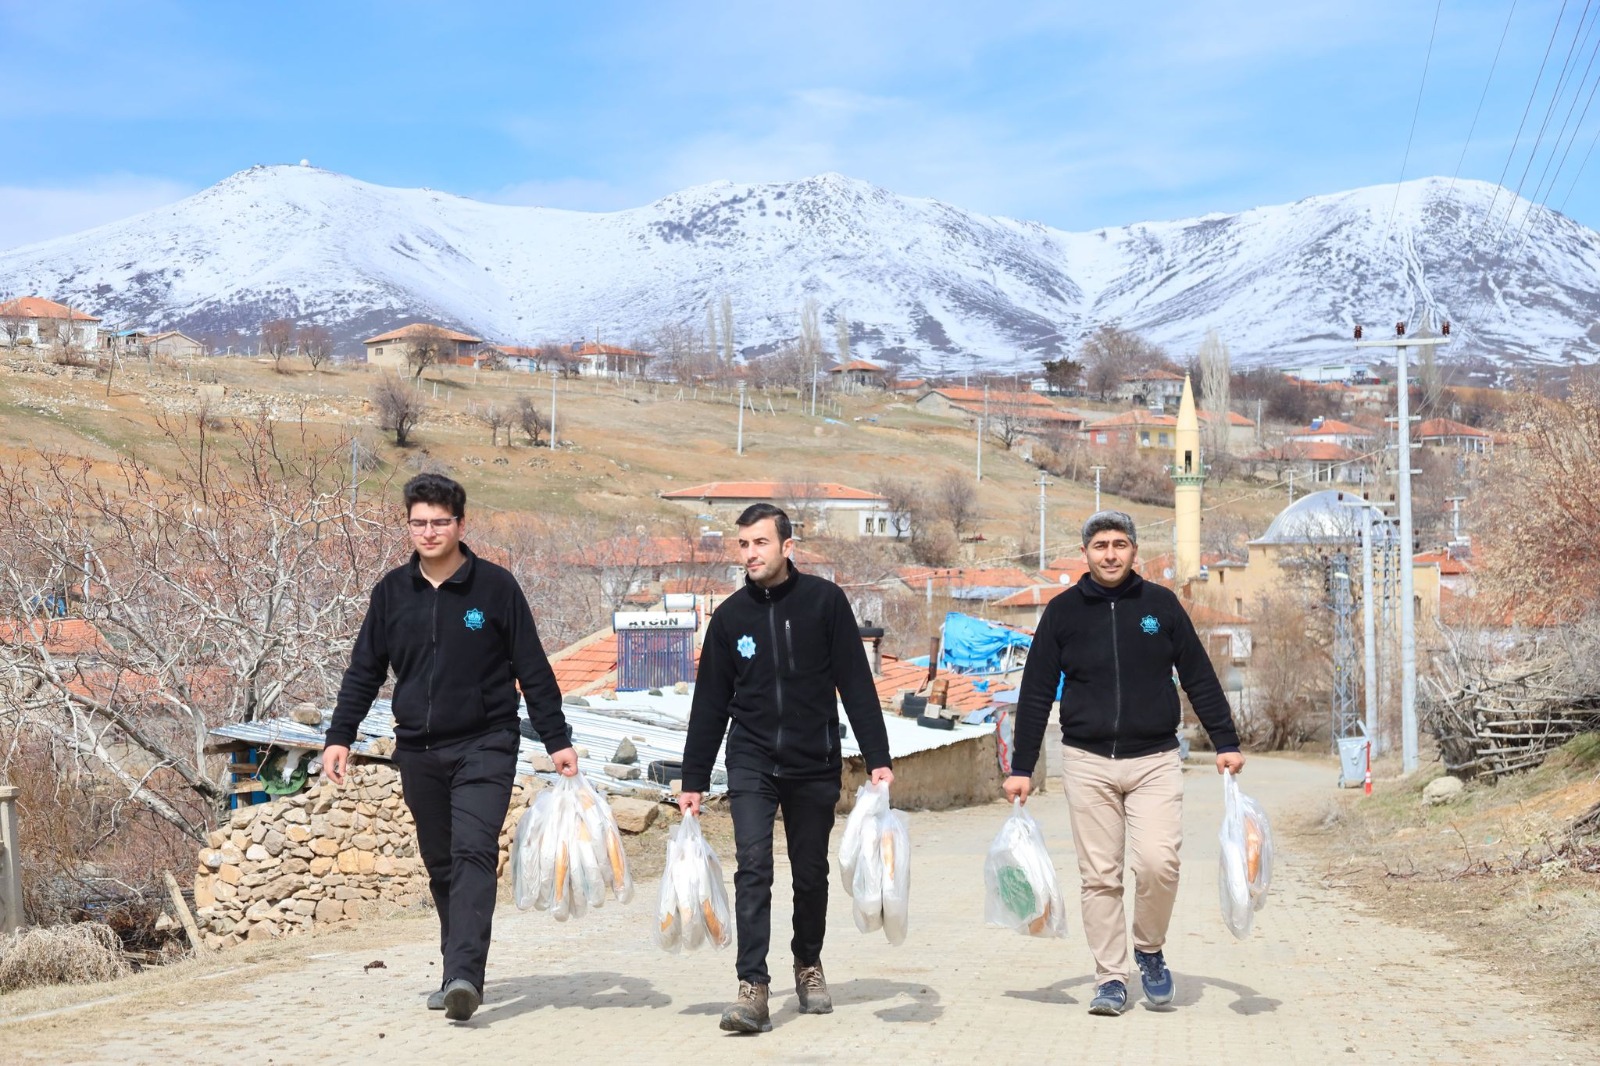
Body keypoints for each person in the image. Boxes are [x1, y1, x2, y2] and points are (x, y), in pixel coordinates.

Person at [323, 473, 577, 1022]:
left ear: (461, 525)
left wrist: (556, 739)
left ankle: (465, 975)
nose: (429, 531)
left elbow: (532, 668)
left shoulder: (496, 588)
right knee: (441, 862)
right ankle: (453, 968)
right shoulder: (392, 591)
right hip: (417, 746)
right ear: (408, 525)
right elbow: (365, 670)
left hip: (487, 740)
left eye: (441, 522)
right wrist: (340, 735)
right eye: (419, 522)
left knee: (473, 854)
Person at [1004, 509, 1244, 1017]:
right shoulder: (1062, 613)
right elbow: (1035, 692)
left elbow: (1198, 675)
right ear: (1085, 553)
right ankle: (1111, 977)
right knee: (1100, 876)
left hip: (1156, 758)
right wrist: (1022, 766)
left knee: (1159, 862)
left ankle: (1149, 950)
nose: (1110, 553)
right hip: (1087, 761)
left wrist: (1225, 740)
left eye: (1119, 544)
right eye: (1099, 545)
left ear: (1134, 551)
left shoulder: (1160, 606)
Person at [680, 503, 894, 1034]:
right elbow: (709, 702)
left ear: (786, 547)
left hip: (813, 758)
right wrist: (693, 779)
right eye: (743, 545)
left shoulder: (824, 603)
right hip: (751, 757)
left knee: (810, 872)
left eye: (759, 543)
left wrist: (879, 758)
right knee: (753, 867)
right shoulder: (730, 618)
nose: (750, 553)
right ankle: (752, 986)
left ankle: (808, 963)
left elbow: (855, 684)